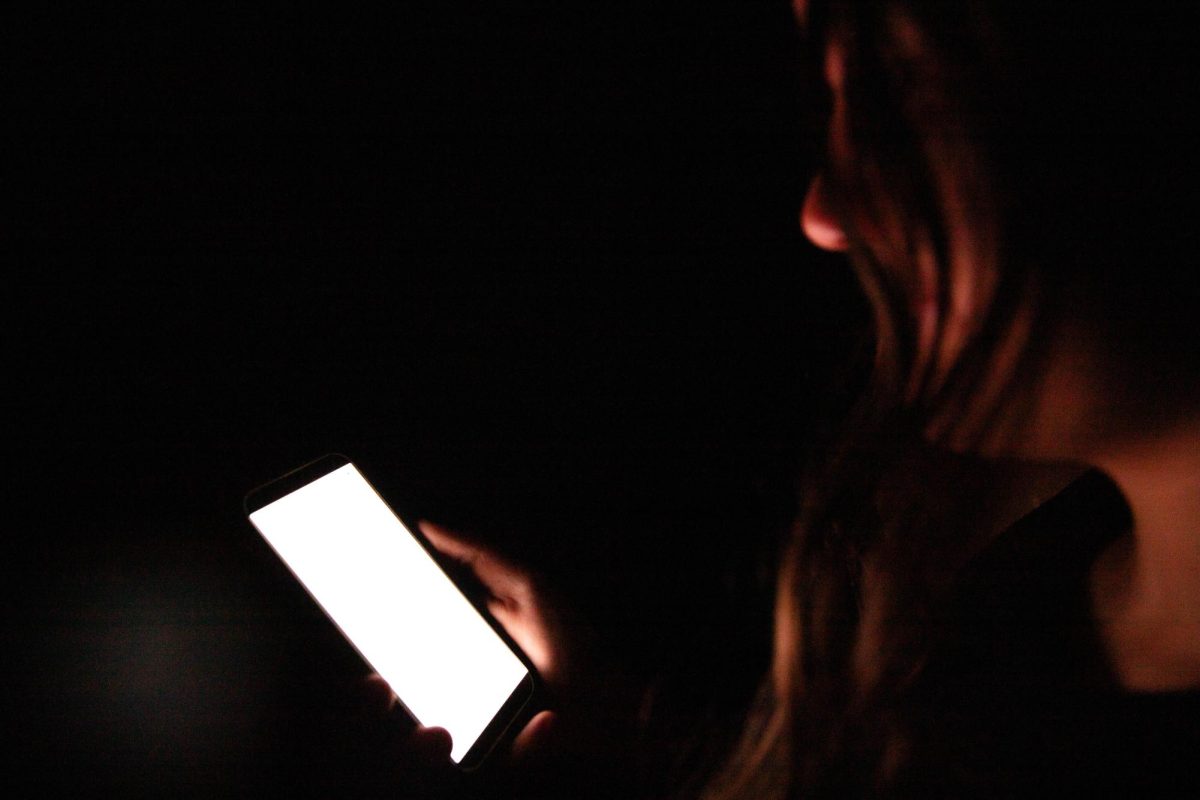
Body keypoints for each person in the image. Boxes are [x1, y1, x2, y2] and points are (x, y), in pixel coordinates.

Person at [374, 1, 1200, 797]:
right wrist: (619, 749)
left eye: (912, 95)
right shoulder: (1018, 602)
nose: (825, 213)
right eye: (844, 102)